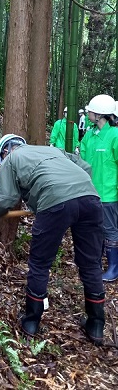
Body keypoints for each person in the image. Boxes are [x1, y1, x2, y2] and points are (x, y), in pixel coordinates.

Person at [0, 134, 105, 345]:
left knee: (40, 263)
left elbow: (5, 198)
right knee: (91, 264)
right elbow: (86, 167)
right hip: (91, 199)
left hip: (55, 203)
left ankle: (31, 322)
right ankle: (96, 325)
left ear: (5, 151)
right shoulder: (51, 150)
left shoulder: (12, 159)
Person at [80, 94, 118, 282]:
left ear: (100, 114)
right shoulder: (89, 134)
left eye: (91, 111)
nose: (88, 113)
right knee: (95, 229)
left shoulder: (115, 135)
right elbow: (83, 161)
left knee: (110, 230)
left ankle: (113, 267)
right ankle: (96, 262)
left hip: (110, 194)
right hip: (91, 193)